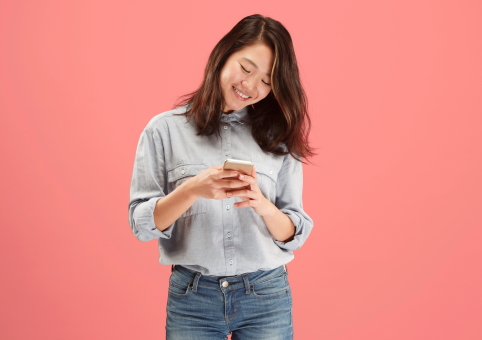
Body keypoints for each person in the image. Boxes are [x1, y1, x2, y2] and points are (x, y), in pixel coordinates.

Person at [128, 14, 314, 340]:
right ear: (223, 54)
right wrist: (192, 189)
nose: (251, 86)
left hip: (266, 294)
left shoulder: (279, 140)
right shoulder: (163, 130)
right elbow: (141, 225)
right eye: (246, 68)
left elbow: (293, 231)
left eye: (268, 80)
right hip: (193, 297)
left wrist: (262, 204)